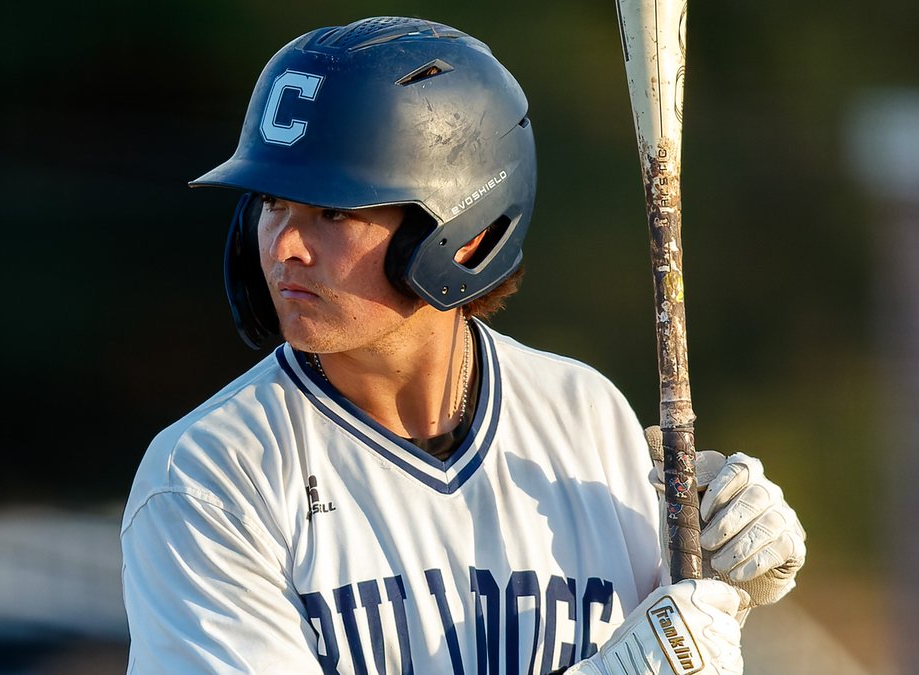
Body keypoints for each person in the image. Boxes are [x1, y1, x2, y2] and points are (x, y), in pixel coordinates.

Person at [120, 15, 806, 675]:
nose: (285, 247)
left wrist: (714, 579)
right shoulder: (207, 479)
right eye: (272, 203)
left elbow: (682, 643)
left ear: (465, 228)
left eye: (333, 210)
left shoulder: (584, 416)